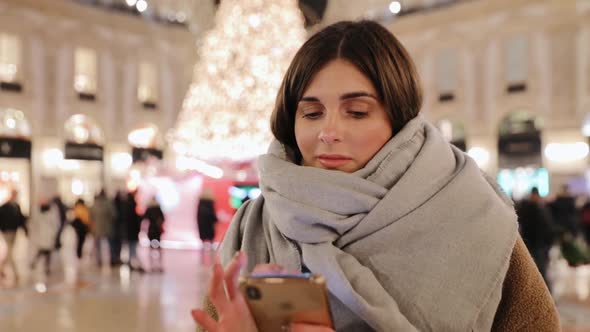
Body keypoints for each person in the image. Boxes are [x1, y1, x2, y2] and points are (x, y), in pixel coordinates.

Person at [192, 20, 560, 331]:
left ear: (398, 119)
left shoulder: (472, 217)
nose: (328, 131)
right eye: (312, 112)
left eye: (356, 112)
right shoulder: (254, 226)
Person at [515, 187, 555, 288]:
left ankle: (544, 292)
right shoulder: (532, 209)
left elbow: (548, 227)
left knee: (541, 269)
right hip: (533, 243)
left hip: (540, 244)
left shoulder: (541, 208)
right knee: (537, 269)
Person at [0, 189, 27, 286]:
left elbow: (21, 219)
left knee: (9, 252)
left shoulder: (16, 206)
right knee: (10, 252)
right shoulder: (4, 206)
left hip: (14, 232)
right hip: (7, 232)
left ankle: (1, 269)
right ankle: (16, 273)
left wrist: (25, 230)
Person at [30, 199, 61, 276]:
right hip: (43, 236)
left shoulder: (51, 213)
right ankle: (36, 263)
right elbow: (34, 224)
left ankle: (46, 267)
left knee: (47, 252)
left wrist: (54, 233)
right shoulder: (39, 213)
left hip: (48, 236)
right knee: (42, 251)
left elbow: (56, 224)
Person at [90, 189, 116, 267]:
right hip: (107, 227)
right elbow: (114, 215)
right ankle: (112, 259)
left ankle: (99, 260)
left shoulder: (95, 204)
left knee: (97, 245)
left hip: (97, 228)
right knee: (110, 244)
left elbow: (91, 216)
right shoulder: (109, 203)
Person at [143, 197, 165, 273]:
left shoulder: (149, 209)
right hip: (157, 231)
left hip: (151, 231)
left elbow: (145, 219)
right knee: (158, 249)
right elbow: (163, 219)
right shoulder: (159, 209)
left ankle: (152, 265)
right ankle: (159, 265)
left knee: (151, 249)